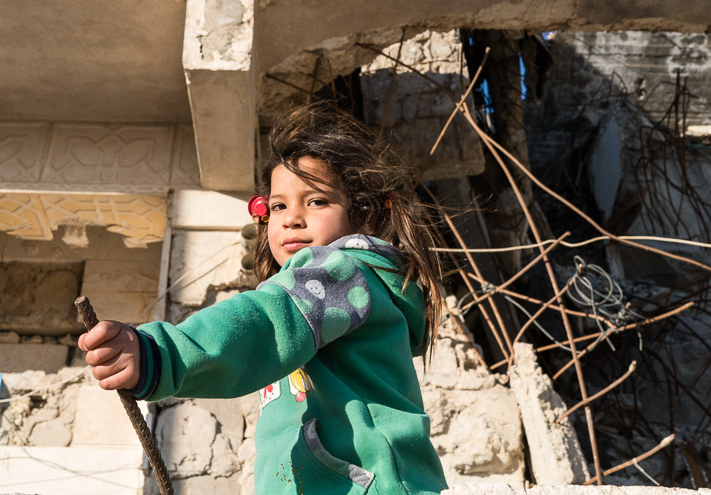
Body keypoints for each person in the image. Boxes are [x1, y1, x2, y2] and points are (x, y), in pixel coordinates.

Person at [79, 104, 449, 495]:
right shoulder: (319, 295)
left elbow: (267, 321)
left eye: (317, 201)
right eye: (278, 206)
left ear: (364, 217)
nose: (291, 218)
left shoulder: (343, 273)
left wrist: (160, 354)